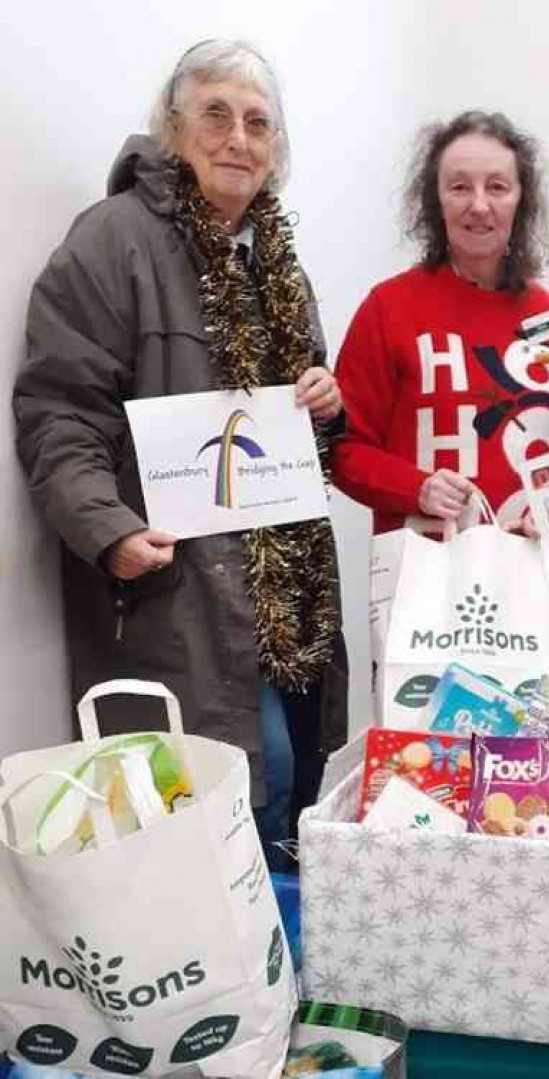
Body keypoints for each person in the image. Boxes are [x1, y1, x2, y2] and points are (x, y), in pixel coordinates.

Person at [13, 40, 348, 868]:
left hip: (292, 603)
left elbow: (310, 438)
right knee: (221, 813)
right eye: (217, 115)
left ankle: (278, 983)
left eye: (258, 123)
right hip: (180, 596)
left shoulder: (279, 264)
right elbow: (59, 411)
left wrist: (324, 403)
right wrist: (106, 529)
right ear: (172, 127)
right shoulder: (111, 242)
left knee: (297, 784)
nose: (239, 138)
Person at [330, 110, 549, 535]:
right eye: (460, 187)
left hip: (534, 579)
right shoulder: (387, 308)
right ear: (437, 201)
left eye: (498, 187)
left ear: (522, 200)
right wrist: (417, 488)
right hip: (424, 580)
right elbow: (343, 449)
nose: (479, 204)